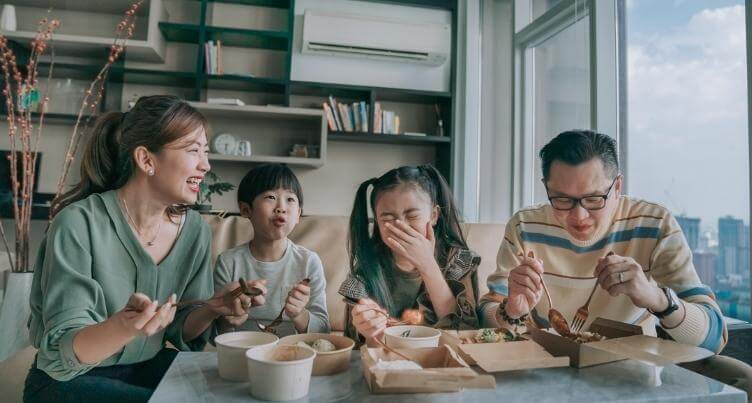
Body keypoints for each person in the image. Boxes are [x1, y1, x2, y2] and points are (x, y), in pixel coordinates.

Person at [23, 95, 266, 403]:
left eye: (205, 152)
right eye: (193, 151)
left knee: (237, 391)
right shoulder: (77, 224)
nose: (205, 165)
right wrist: (124, 326)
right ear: (146, 160)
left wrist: (212, 309)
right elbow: (70, 349)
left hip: (144, 367)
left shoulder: (194, 230)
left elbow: (180, 330)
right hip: (69, 380)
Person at [480, 129, 751, 396]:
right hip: (548, 371)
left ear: (617, 187)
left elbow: (714, 338)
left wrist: (658, 299)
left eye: (594, 199)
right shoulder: (525, 226)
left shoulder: (654, 225)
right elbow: (486, 314)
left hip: (638, 374)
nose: (579, 216)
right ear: (546, 188)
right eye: (562, 200)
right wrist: (511, 312)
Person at [340, 165, 480, 346]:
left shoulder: (458, 262)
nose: (401, 226)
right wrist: (368, 331)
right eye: (388, 219)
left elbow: (465, 334)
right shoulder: (365, 272)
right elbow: (359, 347)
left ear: (434, 215)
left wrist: (427, 265)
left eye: (412, 216)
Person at [214, 164, 329, 336]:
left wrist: (300, 314)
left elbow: (323, 330)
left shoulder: (309, 261)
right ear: (246, 209)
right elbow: (215, 332)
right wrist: (228, 318)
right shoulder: (228, 262)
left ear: (298, 214)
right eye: (270, 197)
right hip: (243, 353)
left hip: (292, 355)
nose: (281, 207)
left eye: (290, 199)